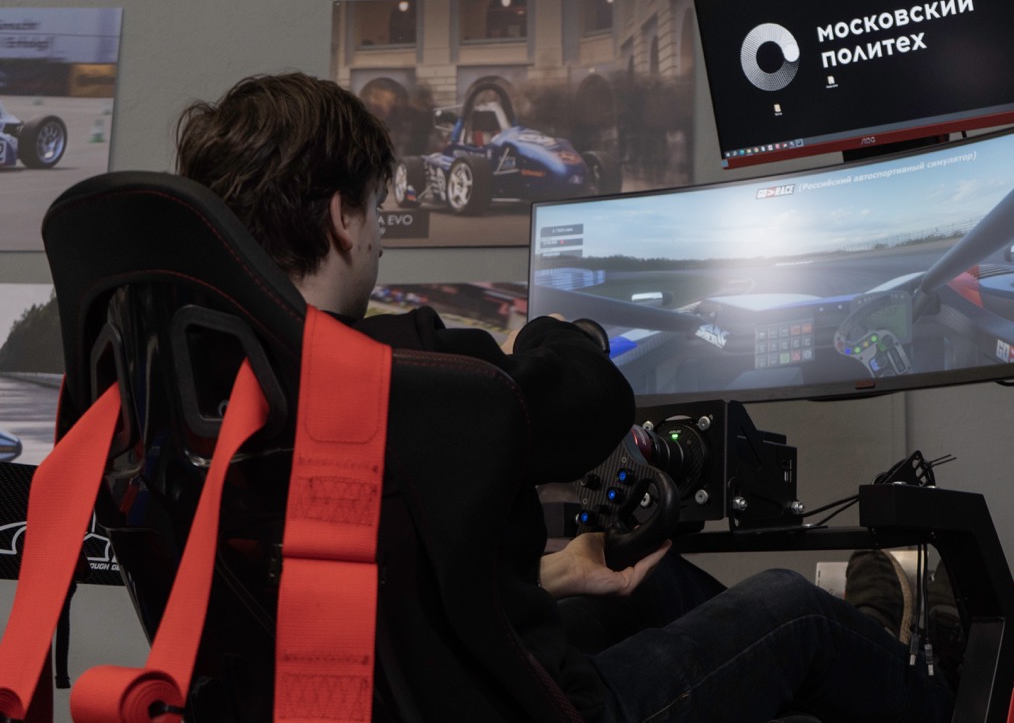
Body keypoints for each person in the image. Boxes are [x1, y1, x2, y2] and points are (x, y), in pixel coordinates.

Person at [175, 72, 954, 722]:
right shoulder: (405, 371)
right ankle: (919, 674)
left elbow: (374, 598)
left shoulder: (199, 400)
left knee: (647, 589)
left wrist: (550, 575)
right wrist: (562, 333)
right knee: (797, 610)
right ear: (342, 218)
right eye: (376, 209)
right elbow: (594, 402)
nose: (379, 234)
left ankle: (863, 652)